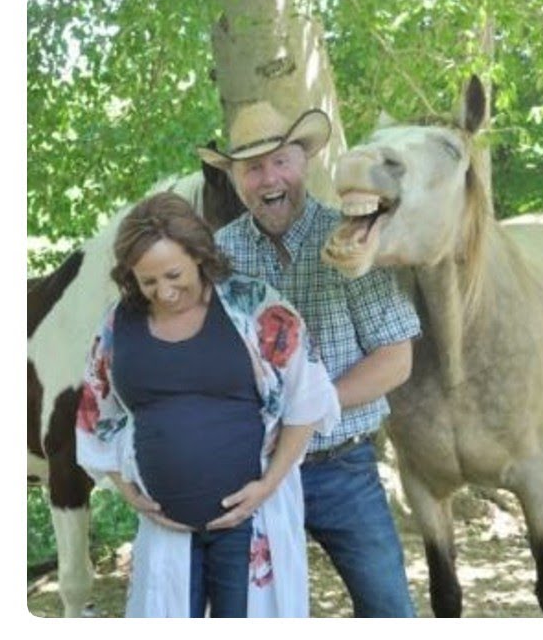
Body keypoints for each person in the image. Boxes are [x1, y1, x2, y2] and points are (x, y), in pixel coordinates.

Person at [198, 101, 422, 617]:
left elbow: (395, 359)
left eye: (282, 161)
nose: (269, 178)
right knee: (242, 613)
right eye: (252, 167)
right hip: (246, 471)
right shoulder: (217, 257)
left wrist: (305, 410)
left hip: (340, 467)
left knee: (390, 613)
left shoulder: (350, 239)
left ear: (306, 164)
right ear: (234, 180)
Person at [75, 192, 340, 617]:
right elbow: (94, 416)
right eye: (147, 281)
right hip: (166, 527)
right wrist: (128, 492)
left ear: (199, 255)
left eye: (173, 274)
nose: (164, 292)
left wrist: (266, 486)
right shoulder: (117, 324)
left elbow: (306, 403)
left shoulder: (257, 307)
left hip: (248, 519)